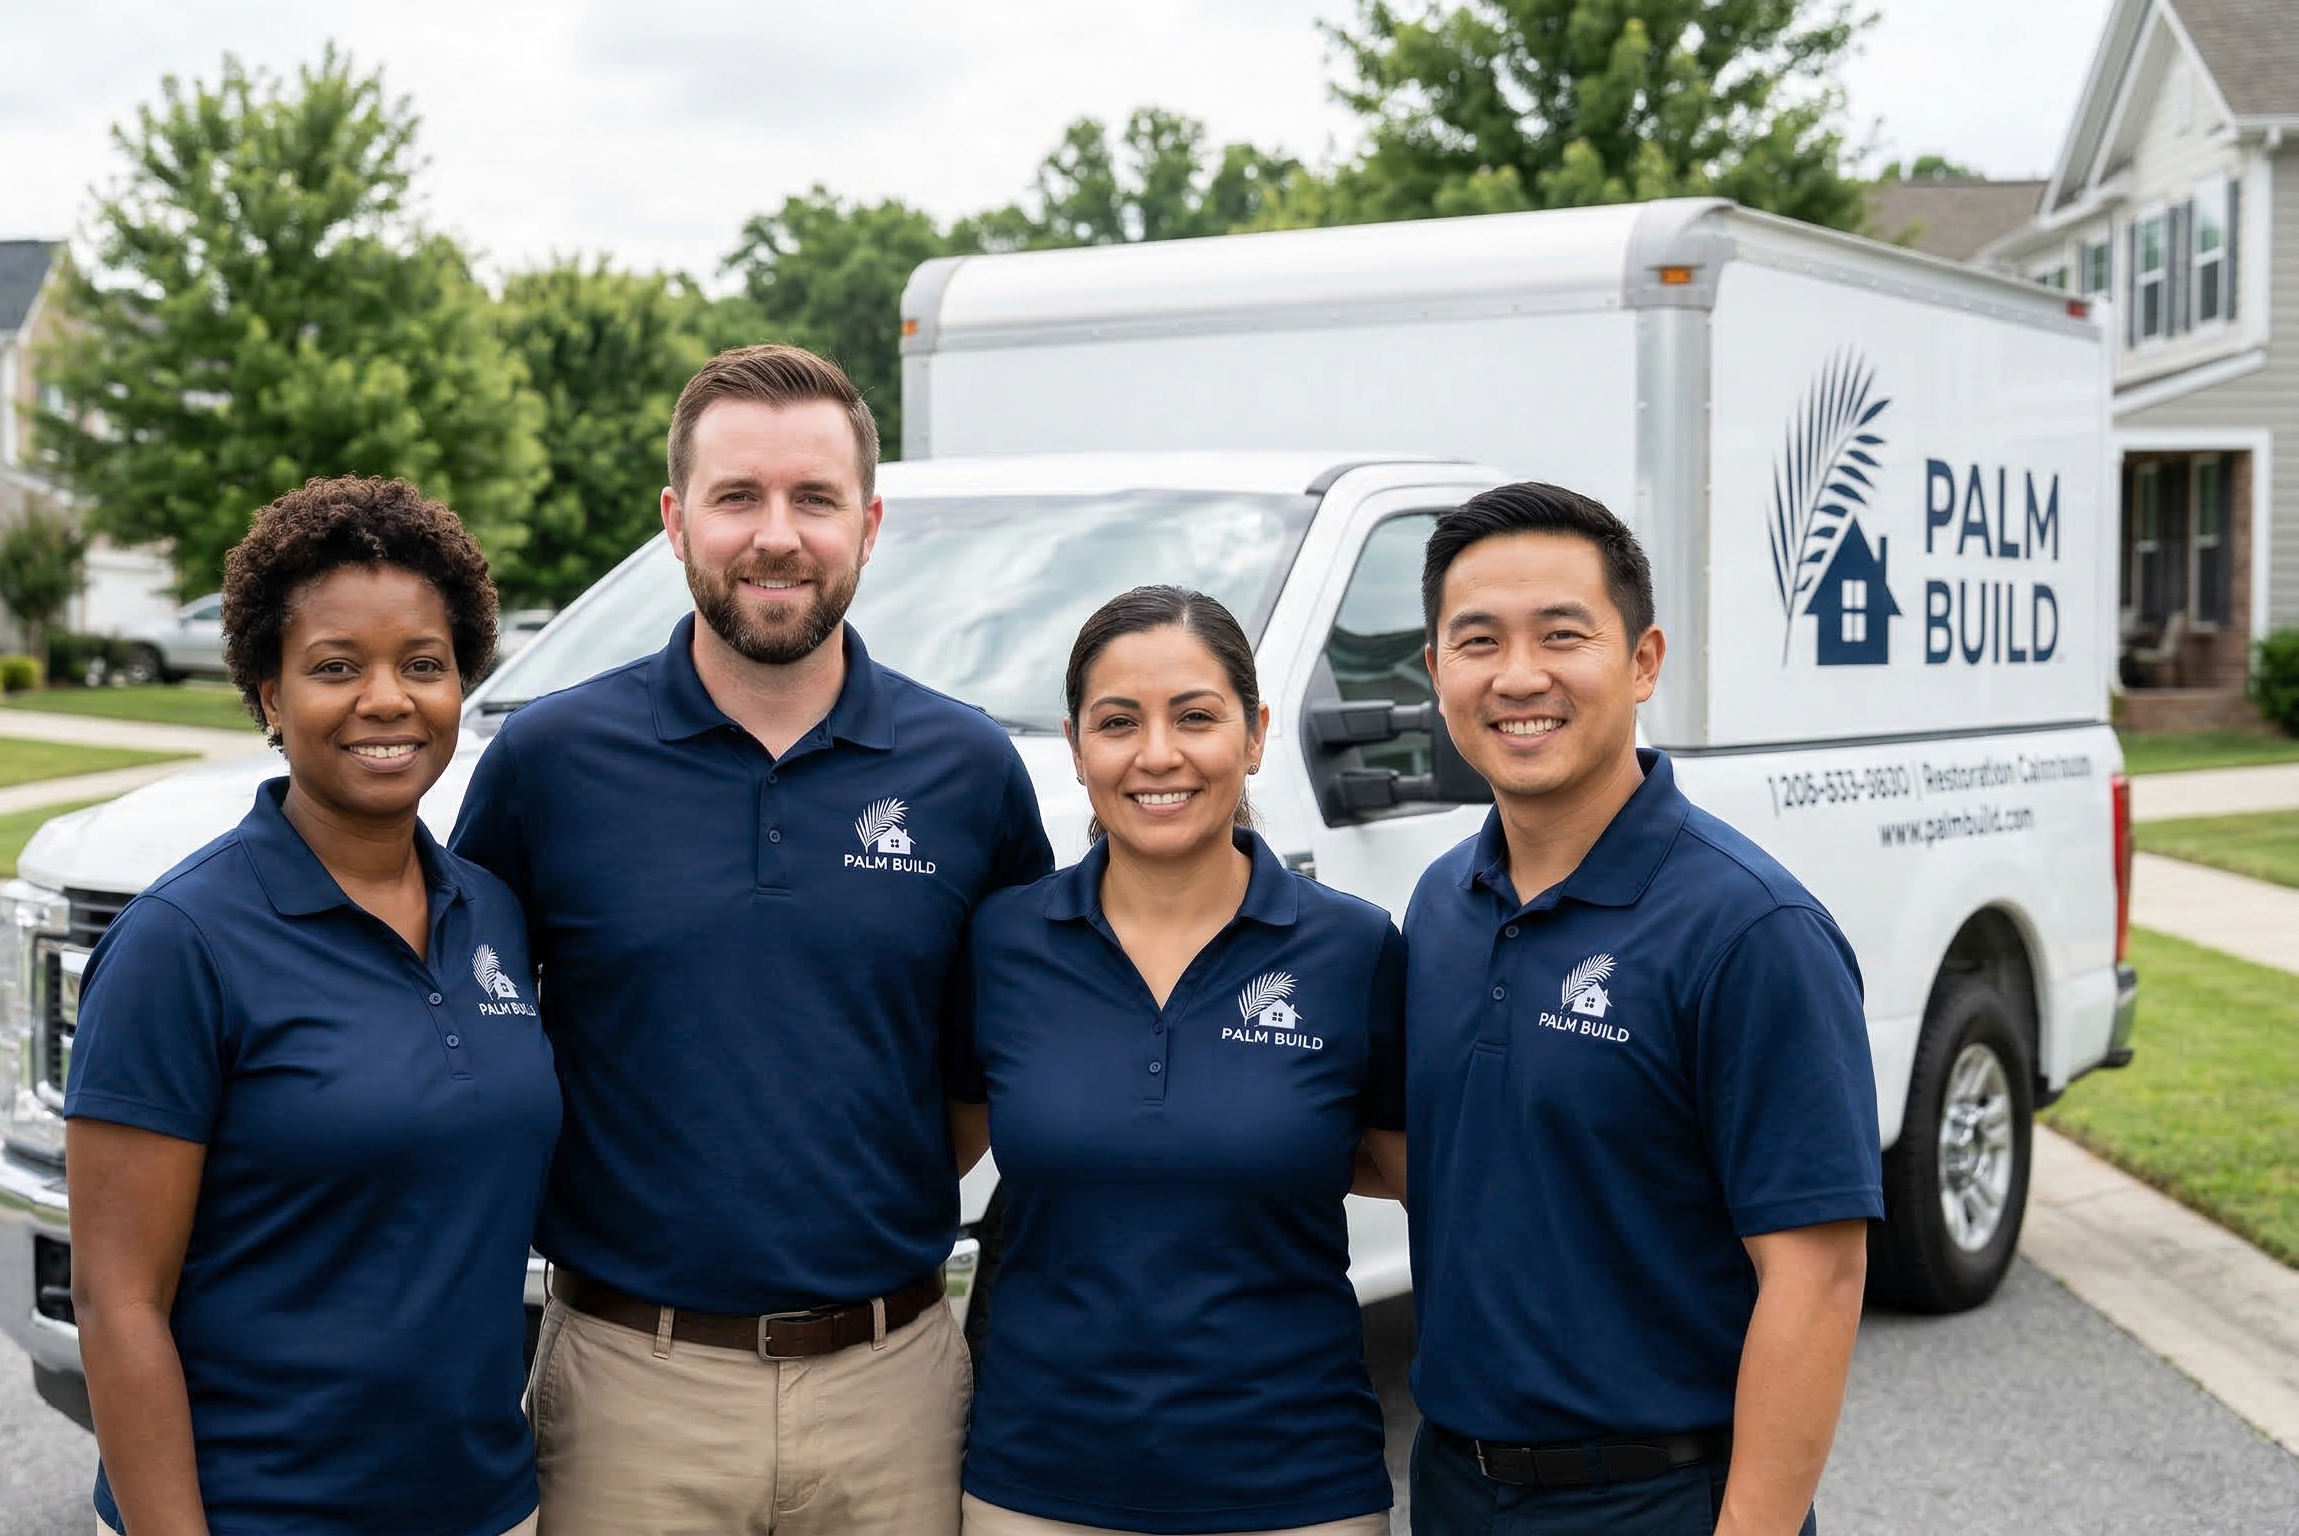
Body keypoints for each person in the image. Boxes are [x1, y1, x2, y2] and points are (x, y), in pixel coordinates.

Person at [451, 343, 1055, 1533]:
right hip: (631, 1386)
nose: (776, 535)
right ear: (676, 521)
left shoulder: (967, 773)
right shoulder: (548, 765)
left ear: (868, 524)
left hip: (893, 1388)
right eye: (737, 497)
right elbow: (459, 1037)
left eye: (814, 498)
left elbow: (991, 1065)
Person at [63, 477, 557, 1536]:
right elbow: (118, 1304)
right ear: (270, 695)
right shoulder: (181, 944)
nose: (387, 699)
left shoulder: (492, 915)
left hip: (483, 1504)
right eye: (336, 667)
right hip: (261, 1512)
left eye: (422, 665)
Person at [1385, 482, 1882, 1535]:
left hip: (1658, 1499)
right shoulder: (1440, 906)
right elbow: (1425, 1154)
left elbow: (1818, 1278)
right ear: (1436, 674)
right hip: (1453, 1490)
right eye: (1478, 642)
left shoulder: (1751, 931)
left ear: (1643, 660)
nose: (1519, 676)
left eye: (1561, 635)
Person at [949, 586, 1404, 1536]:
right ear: (1076, 749)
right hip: (1036, 1486)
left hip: (1297, 1488)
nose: (1158, 755)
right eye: (1119, 723)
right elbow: (942, 1147)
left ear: (1253, 733)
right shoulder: (999, 944)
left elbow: (1403, 1172)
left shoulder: (1358, 952)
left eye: (1196, 716)